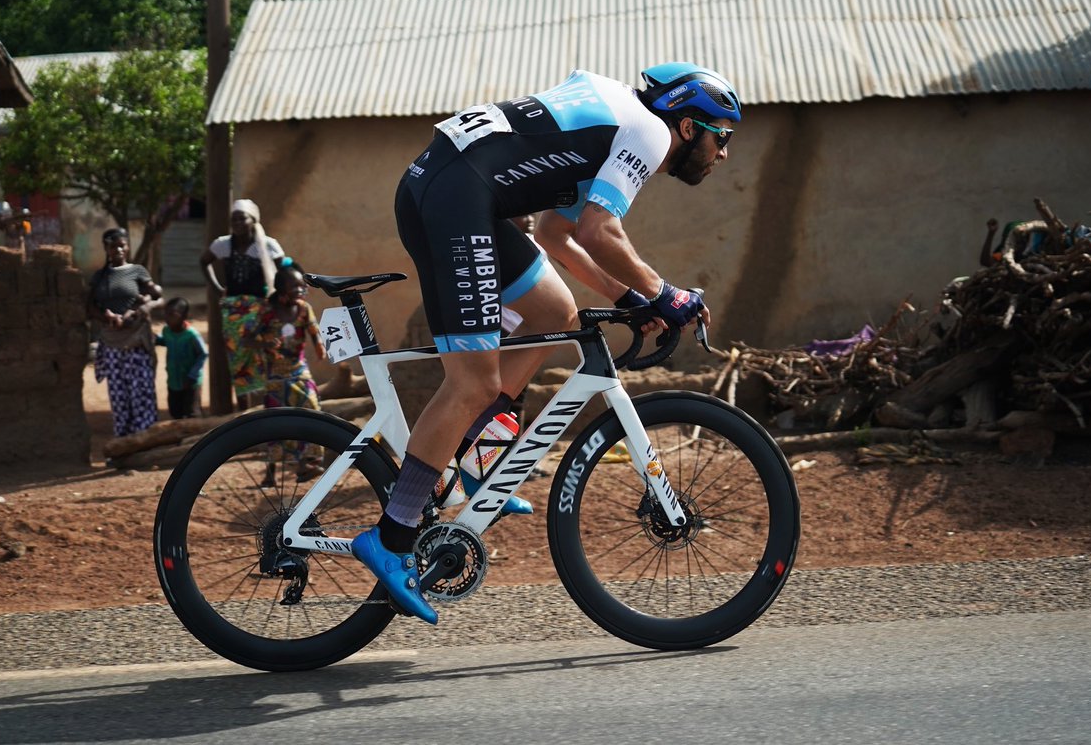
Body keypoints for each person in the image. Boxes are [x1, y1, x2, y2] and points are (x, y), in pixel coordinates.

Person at [351, 62, 739, 624]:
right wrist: (665, 293)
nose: (723, 152)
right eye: (720, 136)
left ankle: (474, 463)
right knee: (472, 383)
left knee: (555, 314)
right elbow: (600, 232)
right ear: (687, 127)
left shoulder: (616, 127)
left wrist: (628, 297)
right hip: (455, 198)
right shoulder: (649, 133)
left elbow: (556, 235)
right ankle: (391, 537)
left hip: (455, 189)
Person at [200, 199, 285, 411]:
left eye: (242, 218)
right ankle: (245, 412)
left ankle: (271, 410)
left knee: (265, 357)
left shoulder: (267, 245)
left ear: (252, 220)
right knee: (238, 361)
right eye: (234, 219)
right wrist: (217, 289)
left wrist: (277, 299)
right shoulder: (223, 244)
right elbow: (204, 261)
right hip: (233, 313)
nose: (237, 223)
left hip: (261, 309)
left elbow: (283, 271)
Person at [246, 263, 327, 485]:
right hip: (275, 375)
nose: (301, 290)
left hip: (299, 369)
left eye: (302, 286)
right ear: (281, 291)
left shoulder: (304, 309)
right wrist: (265, 343)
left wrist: (319, 346)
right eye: (295, 287)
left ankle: (308, 462)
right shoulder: (266, 312)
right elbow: (247, 340)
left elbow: (314, 330)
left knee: (312, 406)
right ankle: (271, 472)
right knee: (276, 420)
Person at [86, 228, 163, 438]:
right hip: (112, 343)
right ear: (106, 249)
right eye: (113, 246)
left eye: (122, 245)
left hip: (136, 341)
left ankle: (146, 439)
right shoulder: (99, 277)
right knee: (119, 396)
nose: (118, 250)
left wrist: (142, 308)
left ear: (128, 247)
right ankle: (125, 441)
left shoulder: (137, 271)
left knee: (142, 392)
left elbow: (157, 295)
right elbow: (89, 307)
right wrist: (107, 317)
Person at [155, 297, 208, 419]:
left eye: (172, 315)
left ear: (184, 316)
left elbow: (203, 354)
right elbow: (166, 341)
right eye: (166, 314)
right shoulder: (167, 331)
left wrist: (192, 375)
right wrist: (156, 340)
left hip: (190, 382)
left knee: (192, 412)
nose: (167, 318)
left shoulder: (191, 335)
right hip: (173, 381)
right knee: (175, 411)